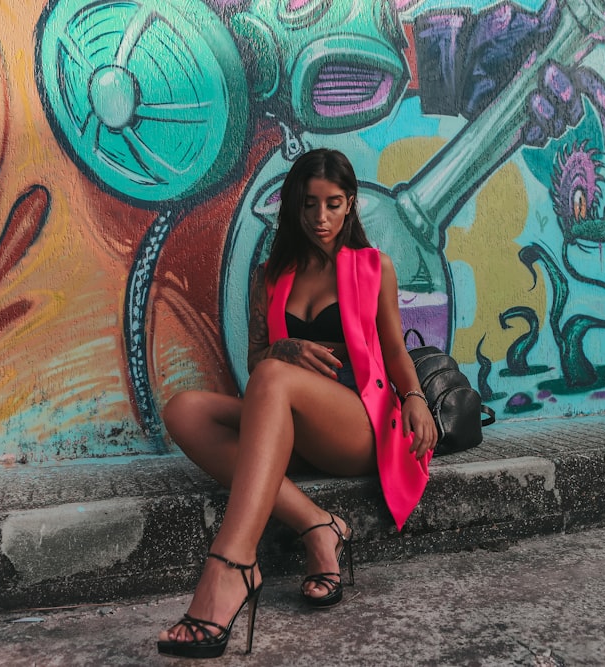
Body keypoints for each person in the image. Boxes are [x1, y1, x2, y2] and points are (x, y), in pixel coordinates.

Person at [157, 148, 437, 658]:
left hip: (357, 421)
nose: (321, 218)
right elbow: (258, 358)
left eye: (333, 204)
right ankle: (318, 522)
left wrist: (415, 398)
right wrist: (283, 350)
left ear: (351, 204)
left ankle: (233, 564)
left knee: (274, 380)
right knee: (184, 409)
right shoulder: (270, 275)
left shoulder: (375, 268)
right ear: (294, 206)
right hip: (293, 420)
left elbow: (395, 350)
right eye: (310, 205)